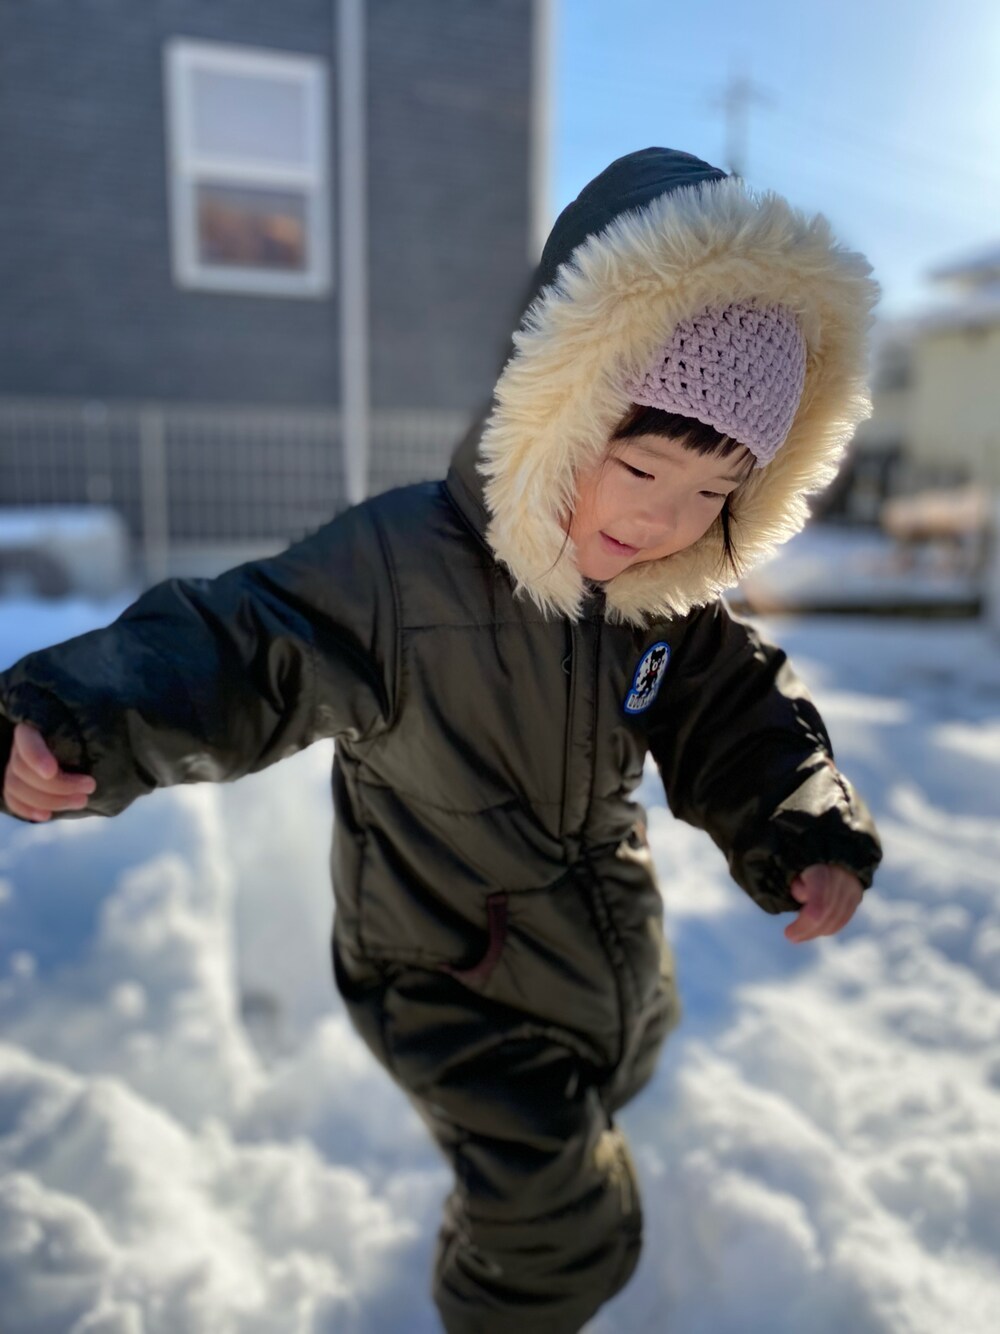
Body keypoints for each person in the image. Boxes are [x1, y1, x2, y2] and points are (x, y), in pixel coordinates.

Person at [0, 147, 883, 1333]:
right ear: (559, 403)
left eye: (714, 492)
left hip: (606, 951)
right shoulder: (398, 570)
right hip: (446, 975)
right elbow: (243, 644)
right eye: (639, 464)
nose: (663, 517)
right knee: (555, 1228)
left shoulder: (661, 605)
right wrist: (82, 717)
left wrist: (803, 819)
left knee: (608, 1092)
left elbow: (741, 715)